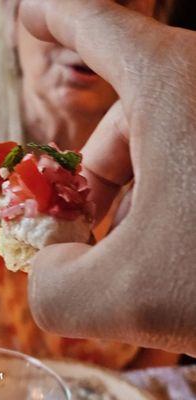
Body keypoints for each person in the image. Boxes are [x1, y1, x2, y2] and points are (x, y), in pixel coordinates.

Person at [0, 0, 181, 367]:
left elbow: (158, 354)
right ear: (13, 22)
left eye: (120, 4)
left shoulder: (172, 169)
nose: (85, 31)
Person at [20, 0, 196, 357]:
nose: (76, 40)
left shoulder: (162, 174)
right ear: (10, 29)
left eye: (120, 4)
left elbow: (156, 362)